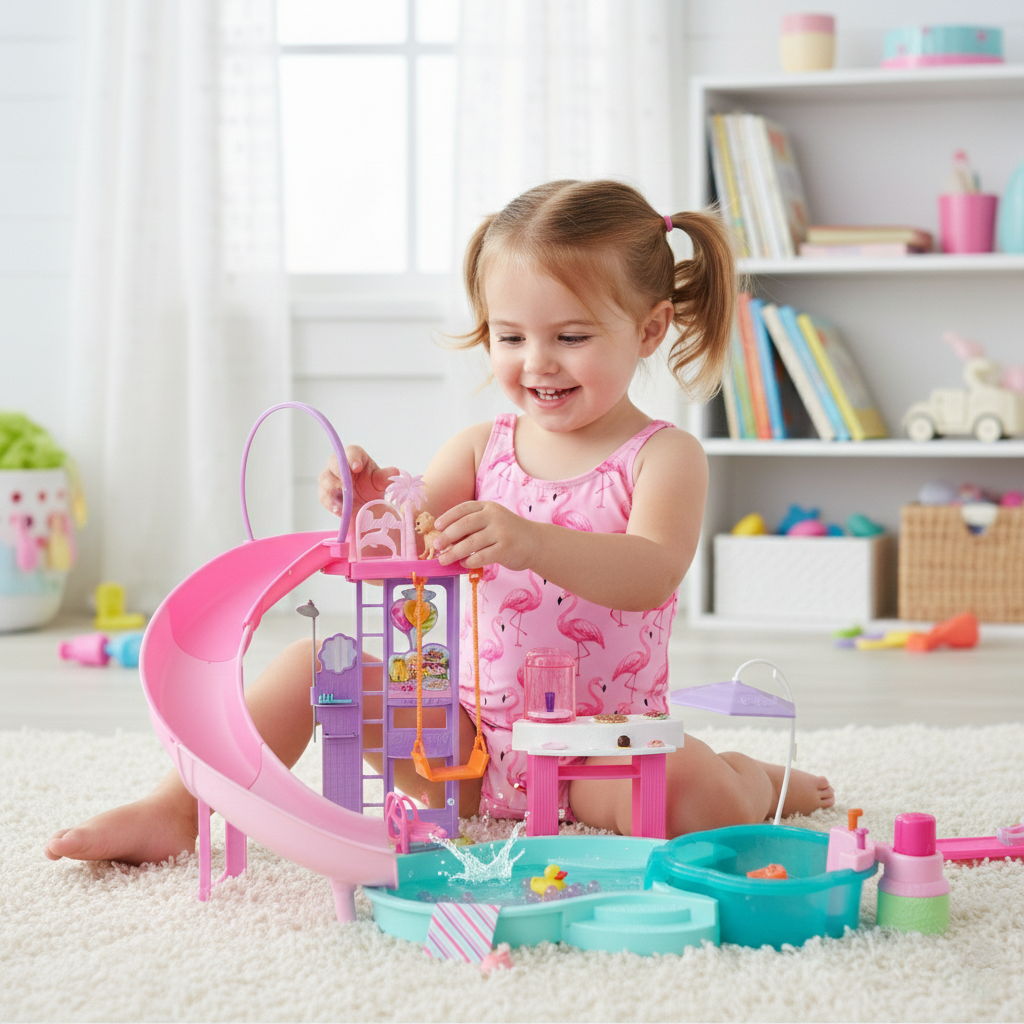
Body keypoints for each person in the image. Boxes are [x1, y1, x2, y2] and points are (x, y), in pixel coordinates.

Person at [45, 179, 833, 866]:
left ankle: (756, 779)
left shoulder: (663, 457)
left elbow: (651, 571)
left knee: (694, 803)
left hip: (595, 747)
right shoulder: (479, 449)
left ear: (650, 329)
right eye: (510, 337)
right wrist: (369, 498)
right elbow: (408, 526)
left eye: (571, 337)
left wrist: (532, 541)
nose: (536, 362)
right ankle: (178, 808)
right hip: (460, 740)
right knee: (310, 663)